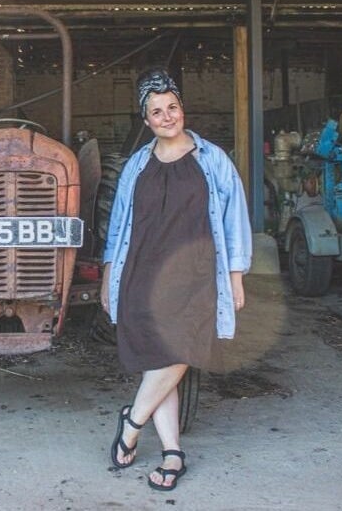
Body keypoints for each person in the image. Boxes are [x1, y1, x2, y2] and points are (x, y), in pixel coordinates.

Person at [100, 68, 252, 491]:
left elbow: (235, 219)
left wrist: (236, 276)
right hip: (142, 272)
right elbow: (118, 225)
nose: (167, 116)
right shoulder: (137, 164)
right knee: (158, 359)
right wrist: (109, 272)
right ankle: (173, 453)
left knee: (181, 349)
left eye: (173, 107)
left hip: (196, 275)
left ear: (182, 108)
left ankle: (131, 423)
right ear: (145, 121)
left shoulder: (212, 159)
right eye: (156, 112)